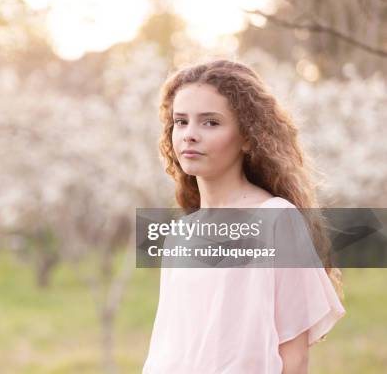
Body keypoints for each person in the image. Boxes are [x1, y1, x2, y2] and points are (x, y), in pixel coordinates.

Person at [142, 60, 345, 373]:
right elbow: (169, 345)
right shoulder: (179, 235)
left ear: (248, 137)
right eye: (181, 122)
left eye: (210, 122)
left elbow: (295, 358)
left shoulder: (277, 221)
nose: (190, 135)